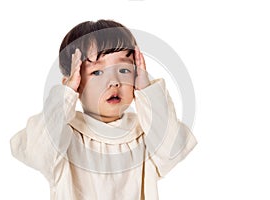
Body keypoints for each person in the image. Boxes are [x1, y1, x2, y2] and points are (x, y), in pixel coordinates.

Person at [10, 19, 197, 200]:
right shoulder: (65, 138)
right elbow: (38, 149)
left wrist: (146, 90)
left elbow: (173, 148)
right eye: (97, 72)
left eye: (124, 70)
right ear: (76, 84)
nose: (114, 81)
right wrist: (65, 95)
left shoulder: (144, 134)